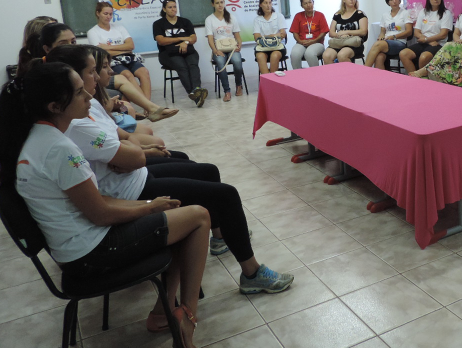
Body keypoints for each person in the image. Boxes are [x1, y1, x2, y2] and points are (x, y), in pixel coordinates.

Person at [0, 62, 209, 348]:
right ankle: (187, 317)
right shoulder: (59, 148)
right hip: (92, 253)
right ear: (55, 105)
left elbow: (94, 202)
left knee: (175, 217)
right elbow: (100, 213)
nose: (89, 97)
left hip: (79, 246)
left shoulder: (38, 140)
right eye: (79, 93)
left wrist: (149, 206)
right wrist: (148, 209)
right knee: (199, 217)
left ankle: (163, 312)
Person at [50, 45, 294, 305]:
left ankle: (222, 236)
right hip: (131, 191)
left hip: (134, 178)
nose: (103, 75)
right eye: (94, 70)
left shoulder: (88, 108)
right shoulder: (78, 122)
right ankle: (252, 272)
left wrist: (130, 152)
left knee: (207, 172)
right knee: (227, 195)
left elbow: (126, 141)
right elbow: (131, 153)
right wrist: (132, 153)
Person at [39, 24, 177, 123]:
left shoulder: (119, 27)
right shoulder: (54, 73)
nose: (71, 46)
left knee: (137, 74)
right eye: (64, 43)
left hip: (114, 71)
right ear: (47, 48)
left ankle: (151, 108)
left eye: (73, 41)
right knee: (125, 83)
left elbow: (130, 46)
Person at [88, 1, 152, 99]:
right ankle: (148, 105)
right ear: (98, 13)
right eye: (105, 14)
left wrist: (107, 47)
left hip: (128, 58)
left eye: (110, 14)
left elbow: (131, 46)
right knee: (128, 75)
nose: (108, 17)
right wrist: (123, 48)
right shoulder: (93, 32)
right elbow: (102, 53)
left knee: (144, 72)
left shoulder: (119, 27)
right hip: (111, 61)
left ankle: (148, 107)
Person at [153, 0, 207, 107]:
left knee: (193, 64)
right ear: (164, 9)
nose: (173, 9)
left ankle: (196, 89)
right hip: (168, 54)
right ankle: (196, 96)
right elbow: (161, 41)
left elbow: (193, 38)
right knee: (182, 67)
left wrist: (186, 42)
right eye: (170, 7)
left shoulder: (185, 21)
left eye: (174, 6)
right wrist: (181, 39)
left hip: (188, 50)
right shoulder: (158, 24)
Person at [399, 0, 454, 73]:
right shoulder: (423, 12)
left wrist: (427, 40)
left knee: (424, 57)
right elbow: (416, 32)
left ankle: (423, 80)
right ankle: (415, 79)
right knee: (403, 54)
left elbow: (443, 34)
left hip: (438, 44)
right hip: (424, 42)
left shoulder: (446, 13)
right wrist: (427, 40)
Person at [206, 0, 244, 100]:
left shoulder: (231, 17)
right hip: (218, 49)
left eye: (221, 2)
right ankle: (227, 91)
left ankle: (238, 85)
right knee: (220, 63)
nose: (220, 5)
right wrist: (215, 51)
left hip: (232, 48)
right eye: (217, 3)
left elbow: (237, 36)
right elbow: (210, 39)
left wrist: (239, 44)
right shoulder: (209, 19)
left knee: (237, 61)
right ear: (213, 4)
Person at [364, 0, 413, 70]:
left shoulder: (405, 13)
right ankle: (381, 80)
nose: (394, 1)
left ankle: (364, 70)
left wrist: (394, 37)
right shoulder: (385, 15)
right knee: (379, 57)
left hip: (399, 42)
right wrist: (381, 37)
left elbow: (409, 31)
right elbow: (382, 32)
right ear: (388, 2)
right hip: (387, 41)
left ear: (399, 0)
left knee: (377, 45)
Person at [322, 0, 369, 64]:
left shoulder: (360, 14)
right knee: (326, 55)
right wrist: (340, 35)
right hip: (339, 42)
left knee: (342, 55)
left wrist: (347, 32)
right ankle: (335, 75)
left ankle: (350, 75)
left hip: (353, 44)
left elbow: (363, 31)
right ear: (343, 0)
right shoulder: (337, 15)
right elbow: (331, 33)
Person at [289, 0, 328, 69]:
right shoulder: (298, 16)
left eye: (310, 2)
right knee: (294, 54)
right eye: (305, 3)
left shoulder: (320, 15)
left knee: (309, 53)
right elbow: (295, 32)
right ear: (302, 6)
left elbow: (324, 32)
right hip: (302, 43)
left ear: (313, 3)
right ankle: (298, 76)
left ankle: (316, 76)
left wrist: (313, 41)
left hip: (317, 43)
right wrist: (300, 41)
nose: (308, 5)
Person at [253, 0, 287, 74]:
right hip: (263, 47)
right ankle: (267, 82)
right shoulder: (257, 19)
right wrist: (275, 35)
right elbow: (256, 37)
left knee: (274, 56)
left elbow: (283, 34)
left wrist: (268, 36)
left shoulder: (279, 16)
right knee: (260, 56)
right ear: (260, 5)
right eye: (265, 3)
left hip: (277, 47)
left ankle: (272, 82)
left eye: (270, 3)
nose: (268, 5)